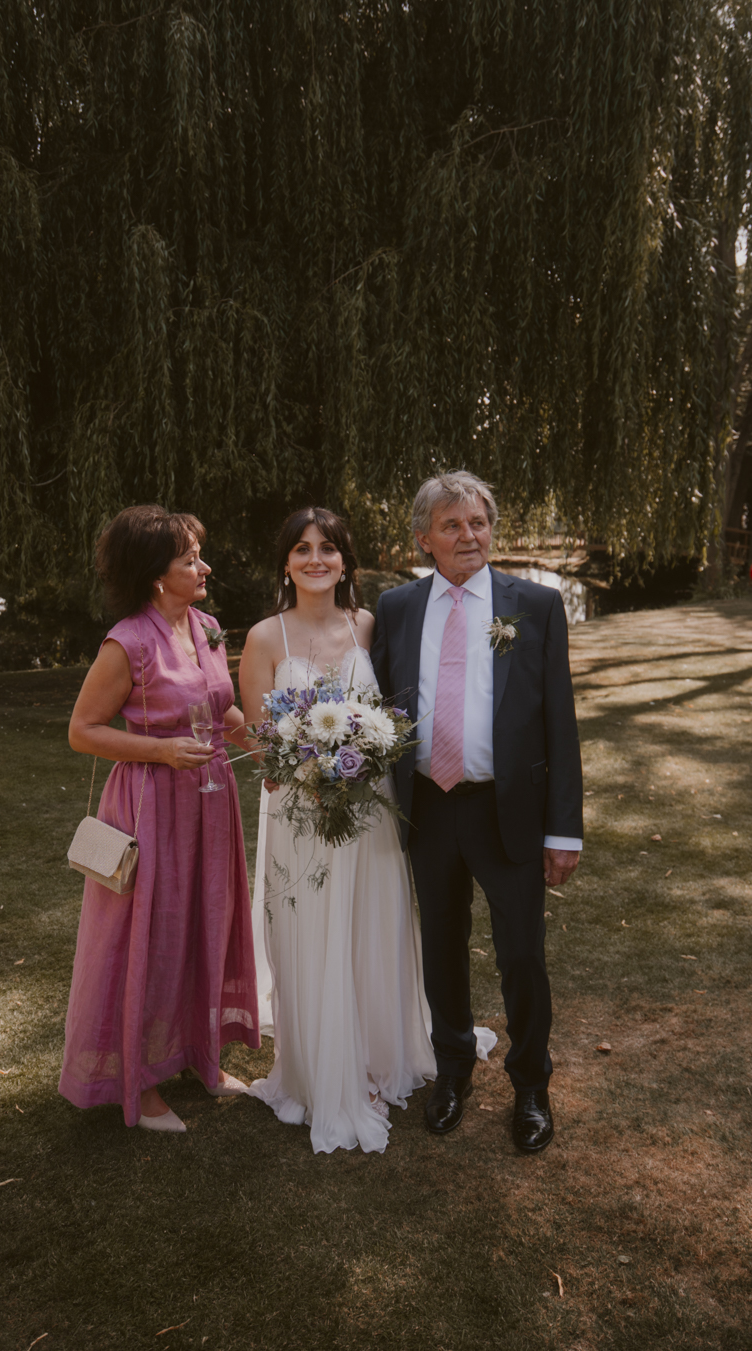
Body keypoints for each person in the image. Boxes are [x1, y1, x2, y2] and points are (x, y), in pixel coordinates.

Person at [239, 507, 496, 1155]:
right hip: (303, 814)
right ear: (286, 564)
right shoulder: (265, 637)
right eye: (302, 549)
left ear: (345, 561)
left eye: (328, 548)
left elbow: (398, 708)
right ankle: (324, 1070)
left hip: (372, 809)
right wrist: (306, 765)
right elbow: (260, 739)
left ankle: (382, 1055)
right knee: (311, 931)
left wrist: (366, 748)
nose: (316, 559)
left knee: (373, 926)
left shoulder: (369, 625)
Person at [371, 470, 583, 1152]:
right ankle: (453, 1069)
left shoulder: (536, 605)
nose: (469, 535)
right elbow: (379, 708)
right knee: (441, 946)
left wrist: (563, 830)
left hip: (507, 808)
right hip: (429, 807)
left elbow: (559, 721)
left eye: (479, 522)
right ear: (423, 538)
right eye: (452, 525)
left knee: (521, 952)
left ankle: (531, 1083)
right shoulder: (397, 608)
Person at [59, 505, 259, 1133]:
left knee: (208, 922)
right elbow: (82, 731)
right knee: (154, 935)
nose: (205, 567)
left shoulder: (207, 627)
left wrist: (271, 748)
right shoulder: (127, 642)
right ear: (155, 575)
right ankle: (140, 1083)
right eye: (190, 559)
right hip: (151, 804)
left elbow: (219, 708)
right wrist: (163, 751)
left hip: (211, 801)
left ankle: (202, 1055)